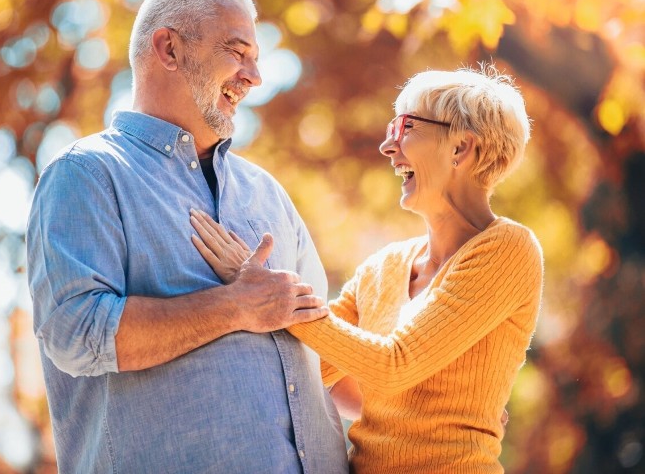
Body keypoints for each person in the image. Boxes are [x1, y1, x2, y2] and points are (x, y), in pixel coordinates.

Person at [26, 0, 348, 474]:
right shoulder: (87, 175)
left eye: (255, 57)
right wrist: (235, 307)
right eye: (237, 52)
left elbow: (326, 355)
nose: (254, 76)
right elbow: (76, 333)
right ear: (169, 48)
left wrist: (439, 411)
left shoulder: (269, 195)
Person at [191, 67, 544, 473]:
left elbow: (395, 365)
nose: (387, 146)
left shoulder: (507, 249)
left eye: (405, 126)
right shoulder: (384, 267)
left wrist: (275, 296)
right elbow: (318, 366)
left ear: (461, 148)